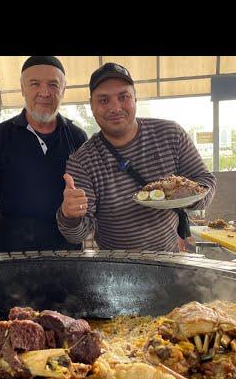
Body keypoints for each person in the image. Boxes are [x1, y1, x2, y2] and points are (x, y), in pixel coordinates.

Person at [57, 62, 216, 252]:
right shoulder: (82, 161)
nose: (115, 108)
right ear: (92, 105)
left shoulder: (170, 134)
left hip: (171, 258)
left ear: (135, 98)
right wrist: (69, 215)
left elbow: (206, 182)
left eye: (123, 97)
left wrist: (186, 196)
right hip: (118, 267)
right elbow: (78, 235)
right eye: (104, 100)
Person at [0, 56, 88, 260]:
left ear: (63, 90)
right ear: (23, 88)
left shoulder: (77, 136)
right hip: (10, 250)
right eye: (35, 84)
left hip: (65, 250)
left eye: (53, 84)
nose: (44, 92)